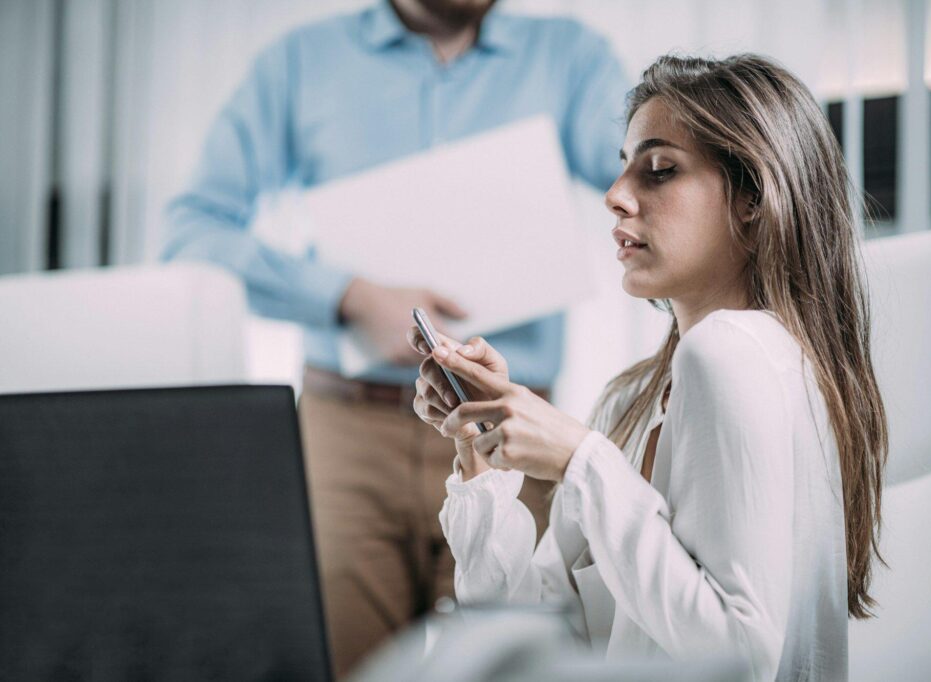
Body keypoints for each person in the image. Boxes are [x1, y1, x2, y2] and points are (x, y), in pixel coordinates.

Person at [161, 0, 629, 675]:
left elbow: (650, 179)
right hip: (346, 439)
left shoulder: (570, 58)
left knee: (506, 664)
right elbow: (192, 234)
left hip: (508, 433)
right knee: (339, 664)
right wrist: (348, 297)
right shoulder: (300, 62)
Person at [410, 54, 889, 680]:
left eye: (660, 170)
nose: (614, 196)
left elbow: (740, 659)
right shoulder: (632, 398)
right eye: (623, 167)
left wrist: (581, 460)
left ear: (752, 198)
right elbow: (535, 629)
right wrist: (479, 451)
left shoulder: (732, 353)